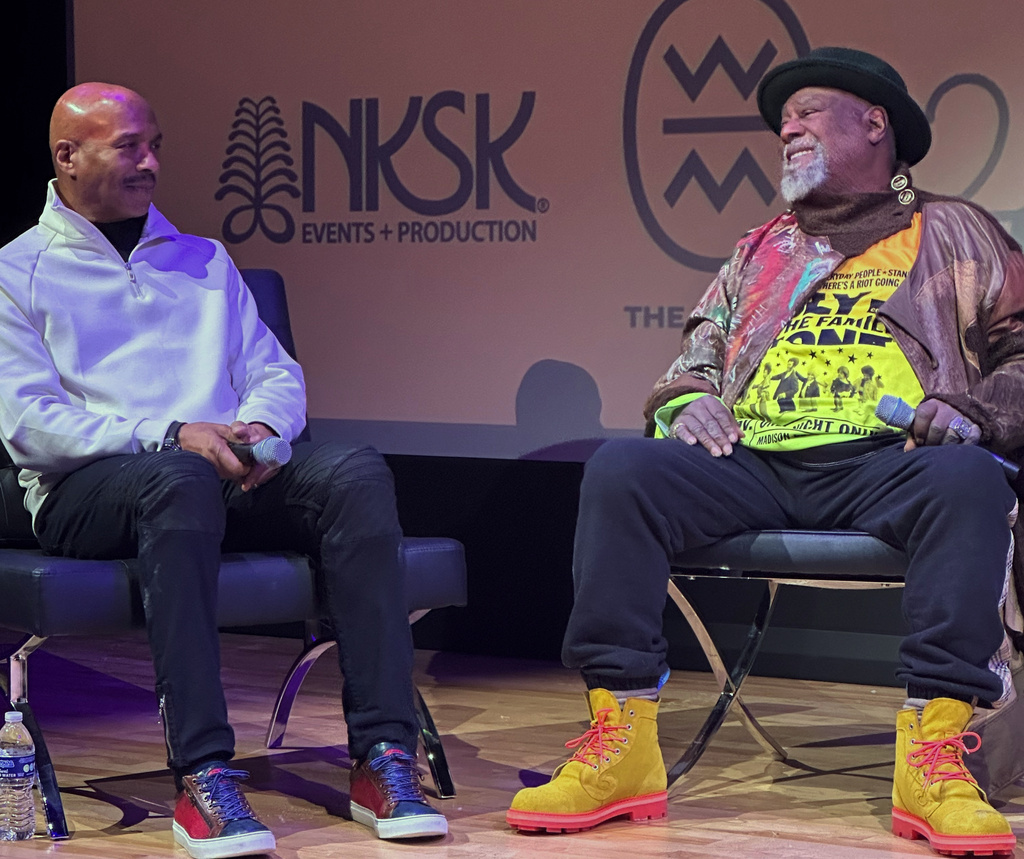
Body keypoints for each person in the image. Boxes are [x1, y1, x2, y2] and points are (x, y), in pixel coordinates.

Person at [506, 47, 1024, 857]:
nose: (788, 129)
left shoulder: (956, 231)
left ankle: (934, 756)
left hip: (888, 464)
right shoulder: (761, 248)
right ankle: (622, 744)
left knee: (968, 482)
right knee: (622, 470)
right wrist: (687, 399)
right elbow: (694, 358)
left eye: (807, 111)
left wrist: (971, 409)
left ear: (875, 123)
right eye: (783, 120)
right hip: (754, 463)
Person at [0, 83, 448, 858]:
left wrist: (261, 429)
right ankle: (203, 773)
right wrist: (170, 435)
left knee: (353, 471)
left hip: (218, 477)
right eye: (129, 146)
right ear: (67, 156)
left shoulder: (204, 260)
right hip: (89, 487)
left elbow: (274, 371)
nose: (151, 161)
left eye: (155, 145)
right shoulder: (18, 270)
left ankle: (382, 756)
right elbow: (31, 423)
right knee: (177, 478)